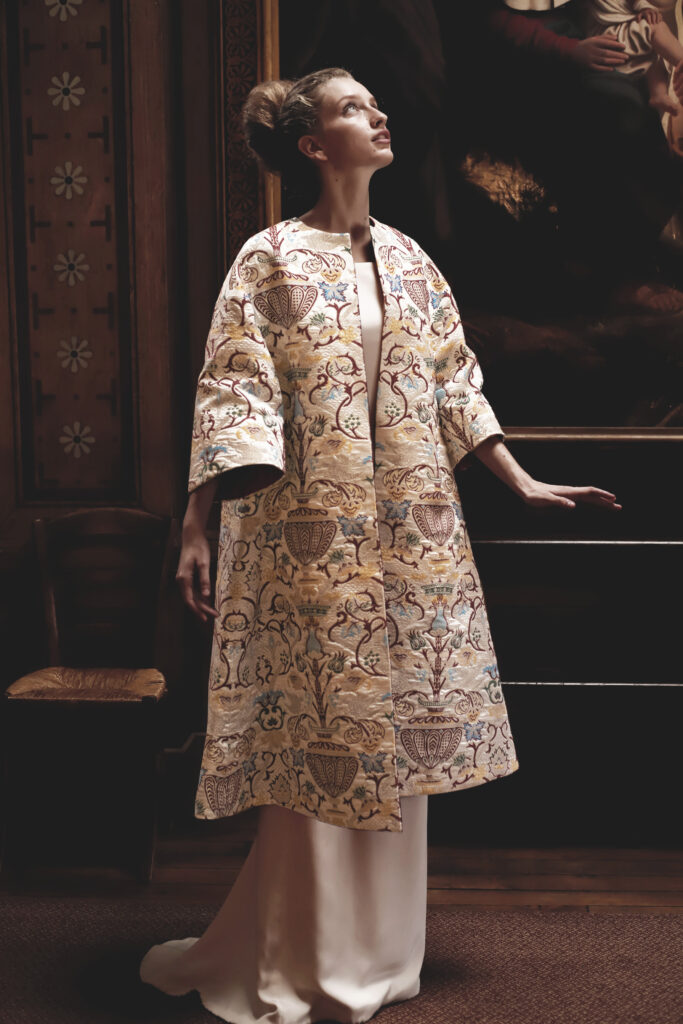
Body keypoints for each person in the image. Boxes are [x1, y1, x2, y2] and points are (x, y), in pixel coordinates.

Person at [139, 67, 621, 1024]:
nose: (378, 113)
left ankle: (382, 955)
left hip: (408, 530)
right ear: (313, 145)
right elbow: (230, 391)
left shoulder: (408, 259)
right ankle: (303, 951)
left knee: (394, 730)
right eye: (354, 107)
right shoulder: (269, 258)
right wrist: (195, 525)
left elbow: (452, 379)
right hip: (305, 535)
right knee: (319, 723)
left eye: (372, 103)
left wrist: (518, 479)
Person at [581, 0, 683, 115]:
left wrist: (645, 8)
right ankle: (681, 60)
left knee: (655, 51)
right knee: (656, 28)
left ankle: (658, 94)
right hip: (609, 34)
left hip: (620, 25)